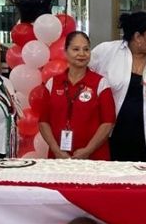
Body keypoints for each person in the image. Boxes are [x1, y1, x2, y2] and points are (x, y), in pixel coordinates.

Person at [90, 12, 146, 162]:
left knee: (145, 181)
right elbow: (85, 75)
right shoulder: (107, 51)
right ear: (138, 37)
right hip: (111, 135)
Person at [40, 31, 116, 160]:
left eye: (86, 49)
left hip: (94, 158)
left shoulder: (101, 83)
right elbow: (43, 121)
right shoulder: (53, 83)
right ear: (65, 52)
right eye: (76, 49)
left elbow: (108, 122)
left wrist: (88, 150)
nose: (82, 54)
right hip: (59, 157)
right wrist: (55, 149)